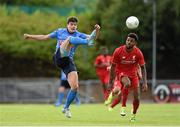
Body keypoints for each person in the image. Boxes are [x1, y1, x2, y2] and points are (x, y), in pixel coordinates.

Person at [24, 16, 101, 118]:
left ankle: (66, 107)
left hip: (68, 61)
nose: (73, 26)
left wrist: (97, 30)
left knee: (75, 87)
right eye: (71, 24)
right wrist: (30, 36)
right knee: (69, 39)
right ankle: (87, 43)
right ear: (67, 25)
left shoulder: (79, 34)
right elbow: (45, 37)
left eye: (75, 25)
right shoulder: (60, 31)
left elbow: (93, 37)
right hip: (58, 57)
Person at [106, 33, 148, 122]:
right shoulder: (118, 51)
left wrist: (144, 83)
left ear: (135, 43)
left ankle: (133, 114)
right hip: (121, 73)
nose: (129, 42)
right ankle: (123, 107)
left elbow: (143, 68)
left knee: (137, 98)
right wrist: (110, 82)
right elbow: (113, 66)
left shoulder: (138, 53)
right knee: (127, 83)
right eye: (128, 40)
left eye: (131, 41)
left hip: (133, 75)